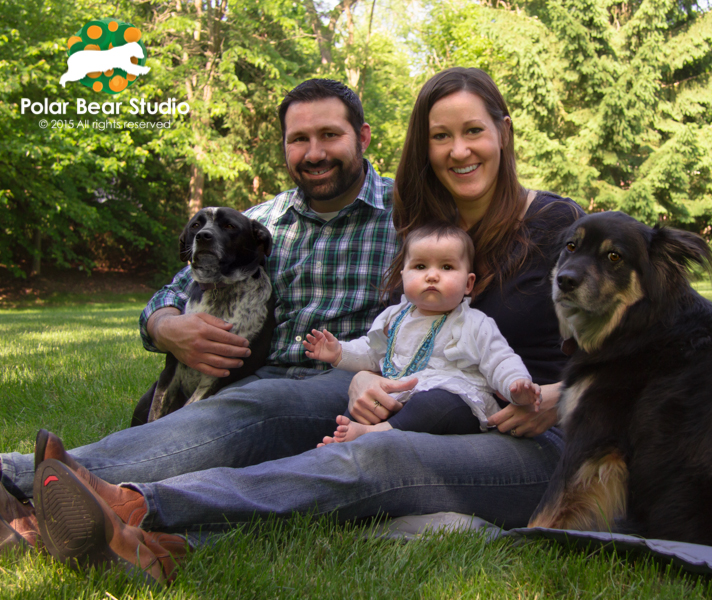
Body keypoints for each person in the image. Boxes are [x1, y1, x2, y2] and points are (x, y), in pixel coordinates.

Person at [3, 67, 584, 585]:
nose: (459, 150)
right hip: (409, 403)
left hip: (525, 434)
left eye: (474, 131)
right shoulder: (425, 226)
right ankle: (111, 519)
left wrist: (557, 398)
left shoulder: (553, 225)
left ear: (503, 132)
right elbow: (397, 337)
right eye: (440, 136)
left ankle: (118, 504)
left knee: (360, 464)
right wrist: (167, 324)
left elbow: (651, 350)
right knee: (271, 419)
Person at [305, 222, 541, 445]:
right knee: (366, 404)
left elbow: (500, 359)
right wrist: (339, 352)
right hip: (401, 394)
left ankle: (377, 433)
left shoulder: (473, 323)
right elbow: (372, 351)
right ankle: (341, 445)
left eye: (447, 267)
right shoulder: (394, 317)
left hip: (454, 402)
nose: (432, 275)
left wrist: (516, 384)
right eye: (420, 267)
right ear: (403, 275)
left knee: (433, 404)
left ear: (468, 284)